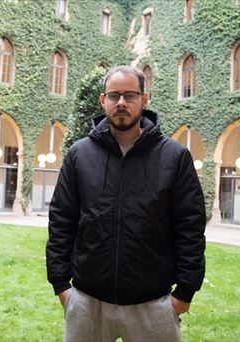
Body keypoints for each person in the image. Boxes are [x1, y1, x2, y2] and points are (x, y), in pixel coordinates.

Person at [46, 65, 206, 342]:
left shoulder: (174, 156)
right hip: (87, 303)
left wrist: (184, 293)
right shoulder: (79, 155)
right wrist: (61, 285)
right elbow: (61, 219)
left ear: (144, 99)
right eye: (114, 95)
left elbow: (190, 225)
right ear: (103, 100)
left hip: (153, 304)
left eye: (130, 95)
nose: (121, 102)